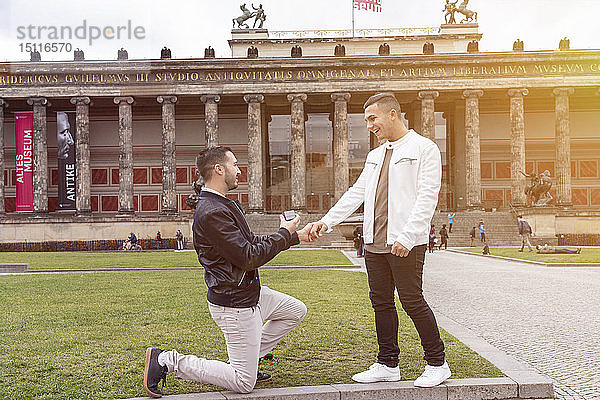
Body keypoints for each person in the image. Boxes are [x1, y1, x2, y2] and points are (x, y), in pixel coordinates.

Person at [143, 146, 313, 397]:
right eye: (234, 164)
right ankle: (167, 360)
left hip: (248, 293)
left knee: (295, 310)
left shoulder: (222, 204)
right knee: (244, 383)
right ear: (219, 169)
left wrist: (295, 237)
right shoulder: (212, 212)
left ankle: (252, 357)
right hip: (234, 304)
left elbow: (251, 243)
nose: (239, 169)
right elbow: (249, 257)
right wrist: (283, 233)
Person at [308, 93, 450, 388]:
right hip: (374, 241)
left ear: (393, 114)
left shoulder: (424, 148)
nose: (370, 125)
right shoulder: (375, 155)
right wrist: (326, 221)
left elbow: (427, 197)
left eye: (373, 118)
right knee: (381, 303)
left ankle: (437, 363)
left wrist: (409, 236)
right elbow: (356, 194)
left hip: (404, 242)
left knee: (412, 300)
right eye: (367, 120)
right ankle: (388, 363)